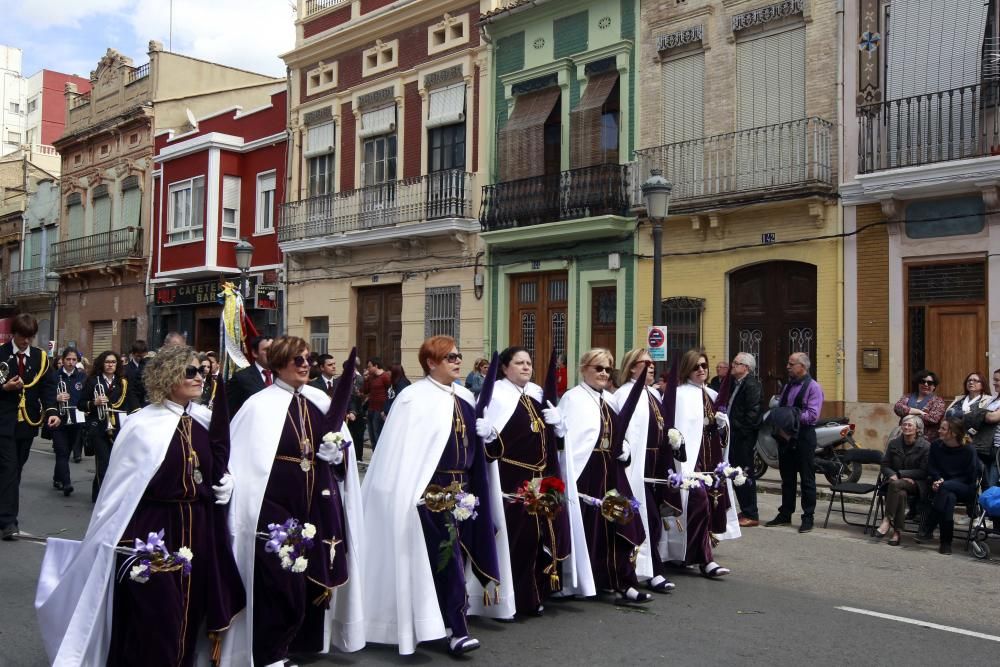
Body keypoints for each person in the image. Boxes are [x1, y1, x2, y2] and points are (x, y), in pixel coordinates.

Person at [36, 344, 245, 664]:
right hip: (155, 530)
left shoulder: (203, 421)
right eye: (190, 371)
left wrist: (226, 482)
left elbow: (216, 467)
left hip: (199, 528)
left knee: (191, 613)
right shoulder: (144, 425)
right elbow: (120, 492)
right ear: (167, 376)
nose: (199, 377)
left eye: (201, 371)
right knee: (158, 616)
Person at [361, 336, 513, 656]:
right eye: (450, 357)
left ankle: (446, 622)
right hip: (431, 493)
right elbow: (399, 454)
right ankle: (455, 630)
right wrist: (407, 493)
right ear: (431, 362)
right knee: (446, 561)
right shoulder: (414, 398)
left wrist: (489, 434)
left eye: (459, 356)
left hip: (467, 492)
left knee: (460, 559)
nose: (458, 361)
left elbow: (486, 454)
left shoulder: (466, 397)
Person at [224, 337, 364, 664]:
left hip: (317, 507)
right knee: (279, 582)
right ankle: (270, 651)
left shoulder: (319, 401)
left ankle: (301, 643)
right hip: (275, 508)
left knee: (312, 580)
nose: (304, 365)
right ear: (278, 365)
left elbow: (342, 457)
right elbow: (242, 460)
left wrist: (337, 454)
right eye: (296, 360)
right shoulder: (258, 406)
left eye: (307, 359)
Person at [481, 346, 570, 615]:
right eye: (519, 363)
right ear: (505, 368)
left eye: (529, 362)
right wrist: (488, 436)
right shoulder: (497, 395)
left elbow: (554, 442)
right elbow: (489, 445)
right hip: (514, 479)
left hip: (542, 479)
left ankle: (537, 592)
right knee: (521, 540)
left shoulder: (536, 395)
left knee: (543, 537)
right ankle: (518, 599)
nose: (526, 367)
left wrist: (560, 425)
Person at [558, 348, 651, 604]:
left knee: (622, 523)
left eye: (607, 369)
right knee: (593, 529)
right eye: (598, 368)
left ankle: (625, 581)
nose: (603, 373)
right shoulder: (573, 399)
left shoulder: (609, 400)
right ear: (583, 368)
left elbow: (623, 436)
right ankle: (592, 580)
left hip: (611, 471)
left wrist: (625, 451)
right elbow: (568, 442)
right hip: (587, 472)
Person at [663, 349, 740, 577]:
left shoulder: (712, 394)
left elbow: (721, 436)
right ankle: (706, 560)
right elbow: (676, 431)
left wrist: (722, 424)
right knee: (698, 504)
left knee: (709, 509)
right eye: (696, 366)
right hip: (691, 465)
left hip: (710, 462)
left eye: (704, 366)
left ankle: (690, 555)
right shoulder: (680, 395)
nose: (702, 370)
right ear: (688, 369)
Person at [614, 348, 682, 593]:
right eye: (645, 363)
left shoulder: (653, 393)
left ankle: (652, 569)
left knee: (653, 520)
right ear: (632, 367)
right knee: (647, 518)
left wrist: (673, 439)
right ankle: (651, 571)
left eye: (653, 363)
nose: (652, 367)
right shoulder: (623, 394)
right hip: (637, 467)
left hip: (655, 466)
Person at [0, 313, 60, 540]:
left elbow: (48, 387)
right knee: (9, 469)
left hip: (27, 423)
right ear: (14, 333)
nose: (26, 341)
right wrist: (4, 388)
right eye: (22, 336)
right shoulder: (2, 354)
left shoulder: (40, 358)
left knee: (15, 471)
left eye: (30, 337)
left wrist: (52, 412)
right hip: (3, 422)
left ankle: (3, 510)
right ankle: (8, 521)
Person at [765, 352, 825, 533]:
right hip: (785, 437)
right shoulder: (788, 386)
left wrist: (791, 416)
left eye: (792, 364)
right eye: (788, 363)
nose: (788, 367)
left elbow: (813, 415)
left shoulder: (813, 387)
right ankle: (785, 513)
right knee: (787, 478)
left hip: (804, 437)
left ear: (803, 367)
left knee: (807, 479)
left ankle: (808, 517)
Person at [79, 351, 140, 502]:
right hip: (98, 426)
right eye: (107, 362)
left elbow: (131, 400)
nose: (110, 365)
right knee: (103, 463)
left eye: (113, 362)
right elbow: (81, 404)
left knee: (114, 464)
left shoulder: (123, 381)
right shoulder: (93, 381)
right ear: (101, 364)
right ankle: (102, 498)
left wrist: (139, 415)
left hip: (118, 427)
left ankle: (100, 492)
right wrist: (94, 403)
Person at [917, 417, 980, 554]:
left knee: (945, 489)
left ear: (954, 433)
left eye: (943, 429)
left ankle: (929, 526)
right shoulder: (936, 446)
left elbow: (971, 476)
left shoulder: (968, 450)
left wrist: (943, 483)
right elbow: (932, 468)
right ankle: (946, 543)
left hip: (964, 486)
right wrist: (938, 479)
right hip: (942, 487)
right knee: (948, 498)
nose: (939, 430)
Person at [874, 414, 930, 546]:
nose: (906, 427)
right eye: (904, 424)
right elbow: (885, 465)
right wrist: (893, 474)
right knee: (900, 492)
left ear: (917, 429)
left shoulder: (926, 446)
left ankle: (887, 519)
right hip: (896, 482)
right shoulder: (894, 443)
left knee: (896, 484)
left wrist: (901, 474)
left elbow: (924, 471)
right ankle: (897, 532)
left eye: (910, 425)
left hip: (916, 483)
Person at [727, 352, 762, 527]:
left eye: (736, 363)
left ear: (745, 368)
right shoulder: (737, 384)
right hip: (733, 437)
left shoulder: (752, 385)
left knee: (745, 474)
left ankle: (751, 513)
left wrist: (739, 430)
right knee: (736, 474)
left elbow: (753, 414)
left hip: (743, 438)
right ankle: (745, 509)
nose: (732, 365)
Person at [50, 348, 87, 497]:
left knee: (67, 451)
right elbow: (46, 395)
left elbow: (85, 396)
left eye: (74, 360)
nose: (71, 363)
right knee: (62, 451)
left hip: (76, 419)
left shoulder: (82, 377)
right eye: (68, 359)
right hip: (59, 418)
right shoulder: (54, 376)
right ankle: (67, 483)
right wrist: (56, 397)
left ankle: (57, 477)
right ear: (63, 360)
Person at [225, 335, 273, 418]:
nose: (272, 353)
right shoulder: (241, 378)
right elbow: (228, 411)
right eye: (267, 350)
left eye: (275, 349)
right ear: (255, 353)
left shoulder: (284, 376)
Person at [893, 369, 946, 441]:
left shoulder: (938, 401)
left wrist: (908, 413)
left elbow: (933, 418)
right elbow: (897, 407)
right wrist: (919, 412)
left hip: (926, 440)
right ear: (918, 383)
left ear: (934, 386)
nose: (926, 384)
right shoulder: (907, 396)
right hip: (904, 437)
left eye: (930, 383)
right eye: (922, 382)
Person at [363, 357, 390, 449]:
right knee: (371, 435)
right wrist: (366, 379)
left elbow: (389, 392)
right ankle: (374, 456)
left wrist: (385, 409)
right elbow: (365, 391)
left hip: (380, 410)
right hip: (371, 408)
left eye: (369, 367)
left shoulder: (385, 376)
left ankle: (380, 456)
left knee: (377, 433)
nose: (368, 369)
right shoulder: (371, 377)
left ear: (376, 366)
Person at [346, 357, 366, 462]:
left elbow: (364, 394)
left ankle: (359, 457)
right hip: (347, 413)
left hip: (359, 410)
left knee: (359, 436)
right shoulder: (341, 381)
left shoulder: (360, 379)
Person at [124, 340, 148, 407]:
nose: (139, 358)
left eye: (141, 356)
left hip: (144, 401)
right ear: (133, 353)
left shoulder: (147, 366)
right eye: (137, 355)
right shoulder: (126, 368)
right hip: (131, 402)